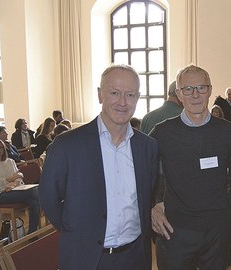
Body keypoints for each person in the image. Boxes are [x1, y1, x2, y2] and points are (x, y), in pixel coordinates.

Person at [39, 64, 158, 270]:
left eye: (130, 95)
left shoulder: (147, 147)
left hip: (135, 256)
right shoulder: (67, 145)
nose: (122, 102)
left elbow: (148, 196)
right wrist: (76, 232)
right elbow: (50, 199)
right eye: (114, 93)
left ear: (137, 98)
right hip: (86, 257)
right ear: (100, 95)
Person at [150, 64, 231, 270]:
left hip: (216, 232)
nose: (195, 95)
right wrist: (152, 205)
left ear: (209, 90)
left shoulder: (228, 133)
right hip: (174, 231)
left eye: (201, 88)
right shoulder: (162, 132)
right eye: (188, 89)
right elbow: (141, 173)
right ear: (179, 94)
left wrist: (225, 205)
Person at [0, 139, 40, 234]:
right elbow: (0, 182)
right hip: (2, 194)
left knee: (34, 201)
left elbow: (19, 177)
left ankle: (32, 232)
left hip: (17, 189)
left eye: (0, 147)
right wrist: (15, 177)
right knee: (34, 192)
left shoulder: (10, 161)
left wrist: (13, 183)